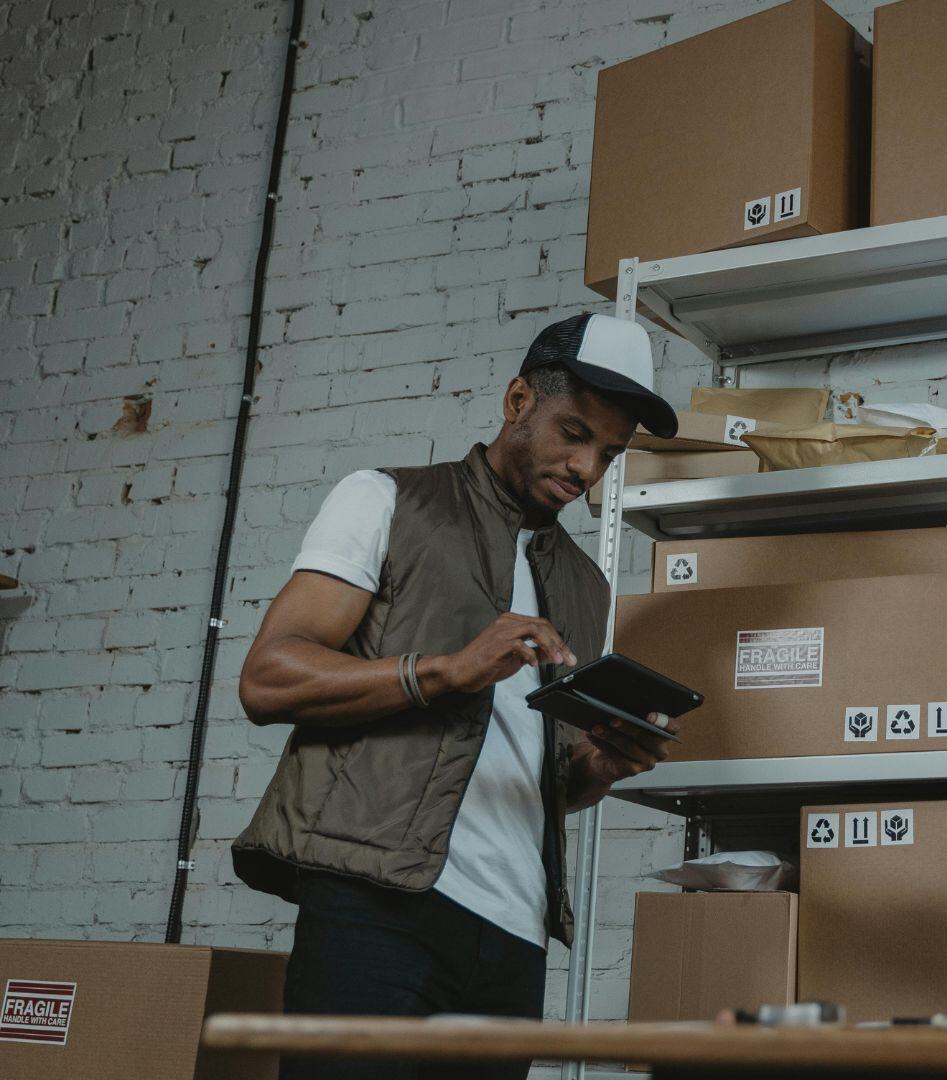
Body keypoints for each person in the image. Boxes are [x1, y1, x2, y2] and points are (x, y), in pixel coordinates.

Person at [233, 313, 680, 1079]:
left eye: (608, 452)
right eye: (572, 432)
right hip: (376, 907)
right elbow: (268, 677)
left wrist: (593, 772)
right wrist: (443, 671)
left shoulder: (584, 584)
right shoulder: (385, 500)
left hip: (513, 935)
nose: (585, 469)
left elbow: (529, 775)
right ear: (516, 401)